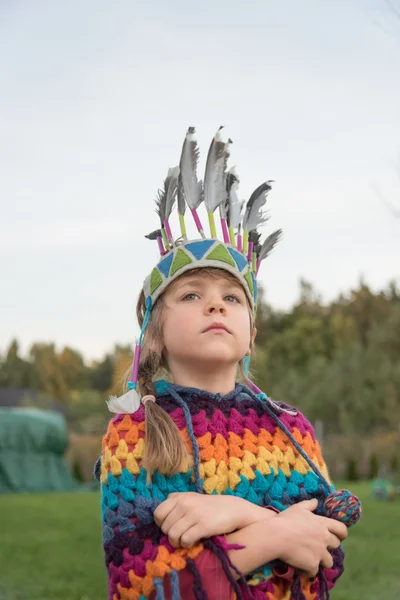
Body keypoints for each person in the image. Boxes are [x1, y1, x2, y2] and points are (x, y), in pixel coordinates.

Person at [95, 127, 357, 600]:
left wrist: (236, 513)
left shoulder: (290, 429)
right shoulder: (136, 433)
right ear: (153, 337)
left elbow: (325, 547)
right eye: (192, 295)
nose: (216, 307)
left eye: (232, 298)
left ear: (251, 333)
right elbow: (144, 586)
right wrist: (276, 535)